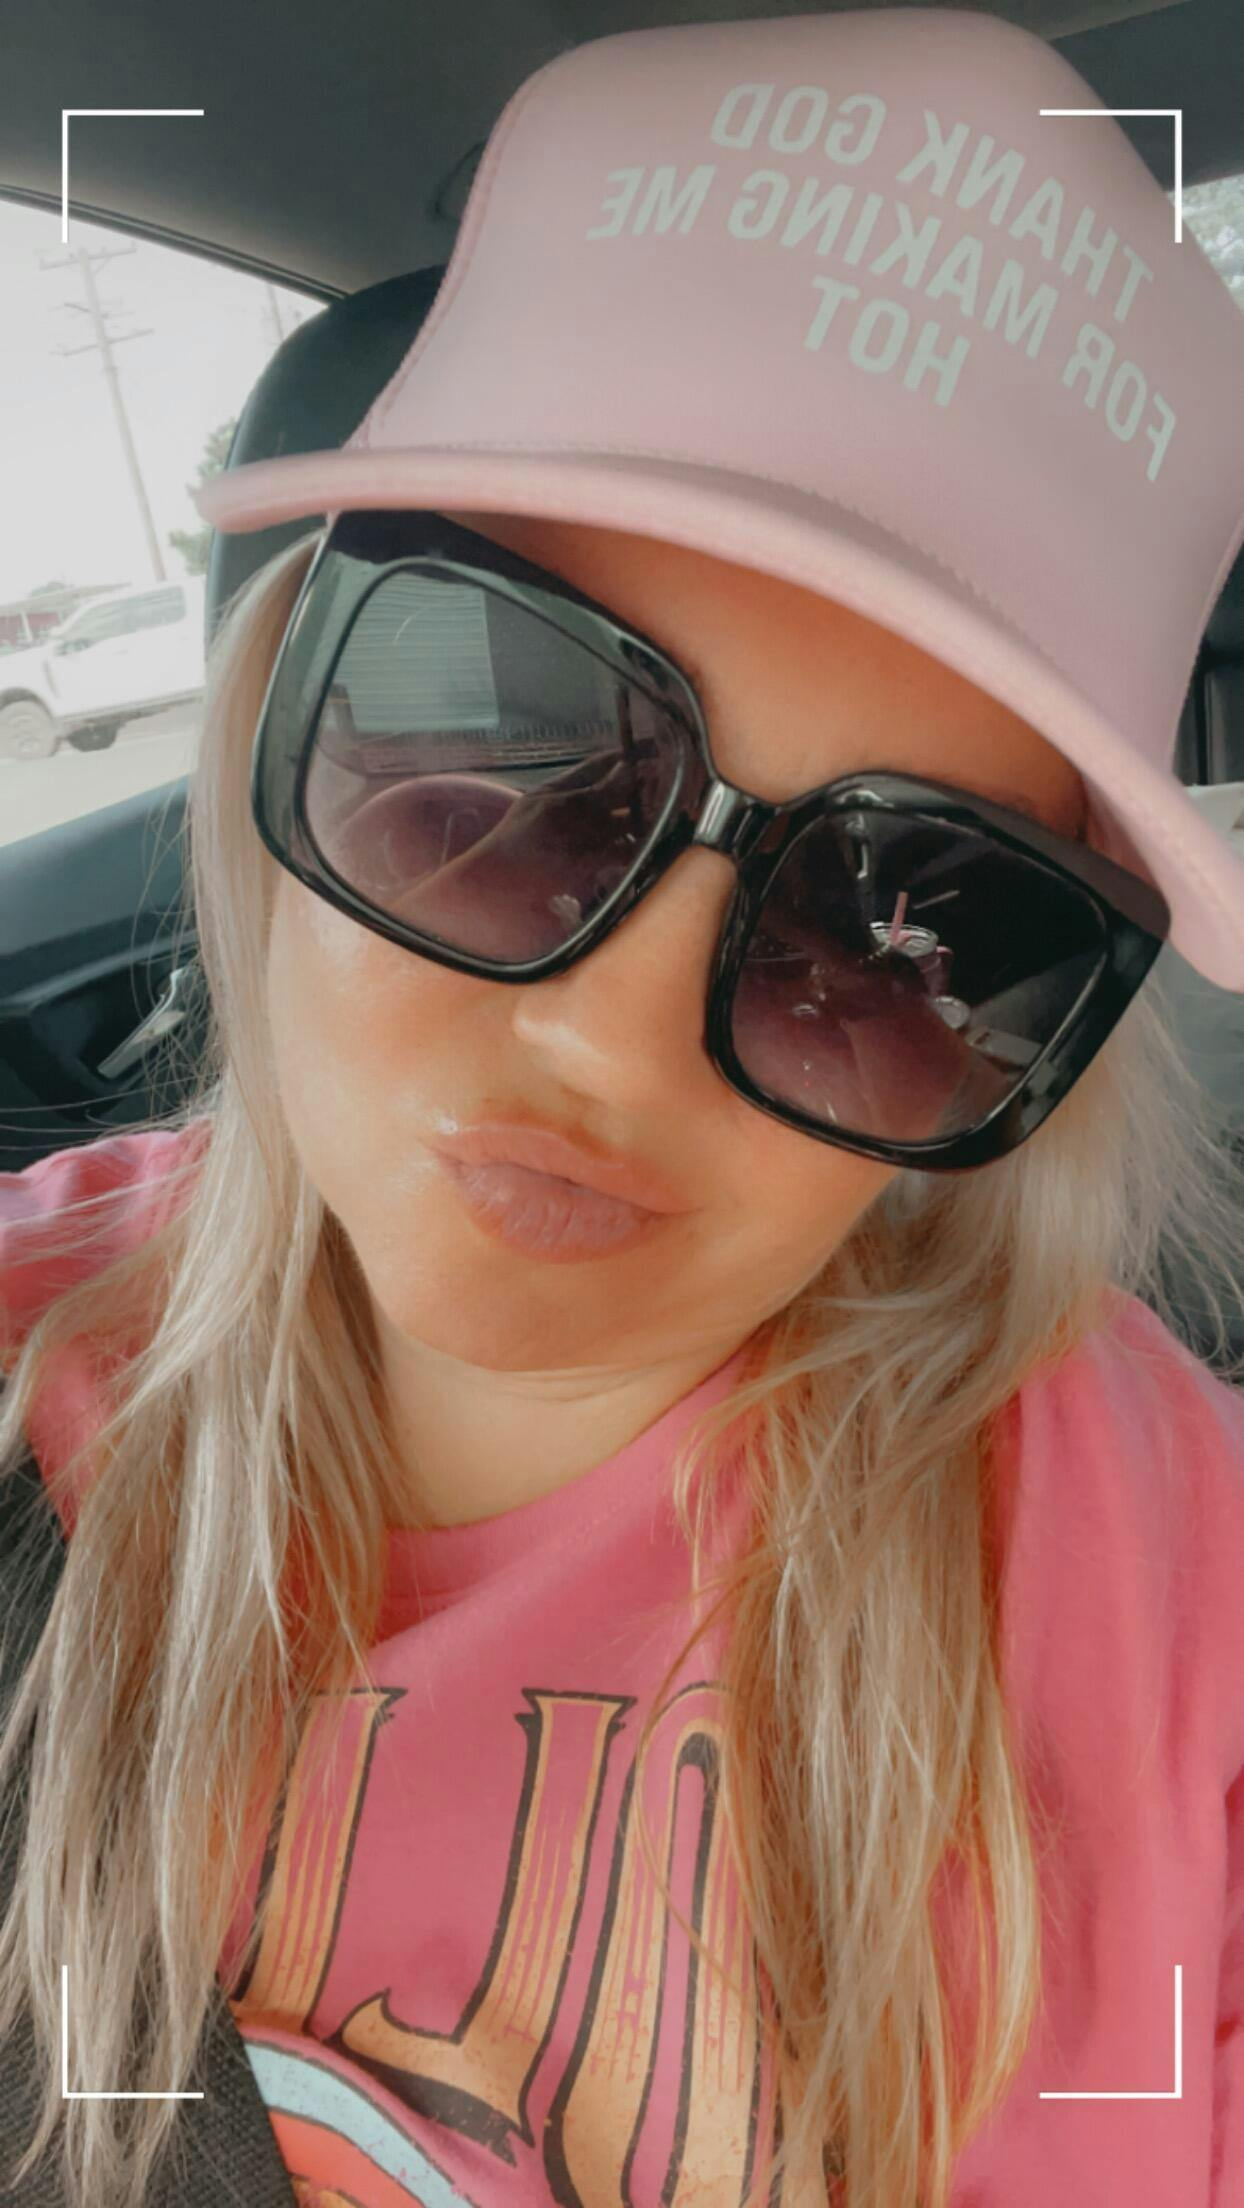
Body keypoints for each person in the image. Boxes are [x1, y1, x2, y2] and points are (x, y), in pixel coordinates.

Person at [3, 12, 1244, 2208]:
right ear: (274, 698)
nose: (610, 1039)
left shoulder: (1178, 1593)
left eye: (904, 924)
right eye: (518, 754)